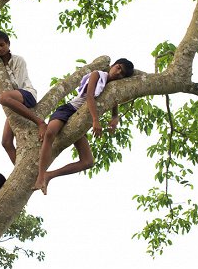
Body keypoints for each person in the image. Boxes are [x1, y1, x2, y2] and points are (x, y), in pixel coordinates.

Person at [33, 58, 134, 195]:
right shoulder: (97, 74)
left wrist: (115, 118)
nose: (118, 73)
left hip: (80, 121)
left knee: (88, 162)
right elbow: (90, 97)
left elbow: (114, 102)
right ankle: (40, 176)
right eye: (118, 67)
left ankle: (49, 175)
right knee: (50, 133)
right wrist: (95, 120)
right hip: (69, 110)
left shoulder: (111, 88)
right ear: (113, 65)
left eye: (122, 74)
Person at [0, 31, 46, 164]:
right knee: (6, 142)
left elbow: (18, 84)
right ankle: (19, 169)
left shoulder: (18, 60)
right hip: (14, 102)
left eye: (2, 45)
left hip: (27, 94)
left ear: (8, 44)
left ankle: (40, 122)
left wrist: (3, 70)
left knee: (2, 98)